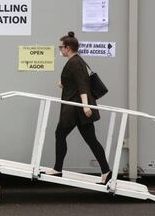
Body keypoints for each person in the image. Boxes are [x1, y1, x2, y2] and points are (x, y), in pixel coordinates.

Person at [42, 31, 112, 185]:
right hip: (78, 109)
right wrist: (63, 84)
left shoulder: (74, 63)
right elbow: (76, 82)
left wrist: (86, 106)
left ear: (68, 48)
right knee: (91, 140)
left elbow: (82, 85)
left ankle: (58, 169)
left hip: (76, 110)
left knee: (60, 134)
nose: (60, 50)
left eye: (61, 47)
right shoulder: (77, 61)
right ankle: (106, 171)